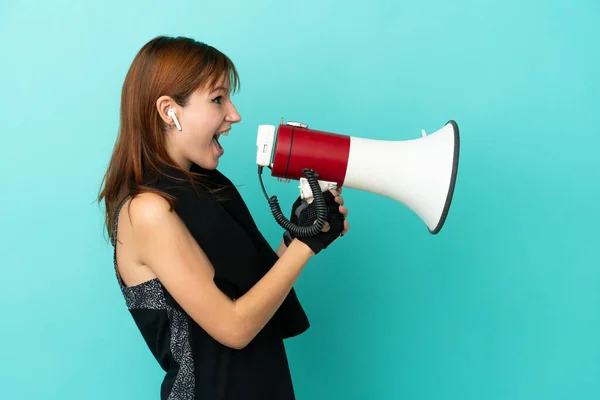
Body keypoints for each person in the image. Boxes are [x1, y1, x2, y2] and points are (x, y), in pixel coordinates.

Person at [97, 35, 349, 399]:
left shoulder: (206, 187)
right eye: (217, 99)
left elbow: (252, 294)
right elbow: (233, 327)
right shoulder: (147, 211)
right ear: (170, 110)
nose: (234, 115)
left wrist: (299, 234)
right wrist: (307, 246)